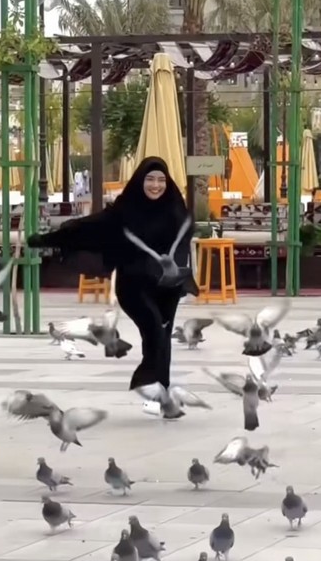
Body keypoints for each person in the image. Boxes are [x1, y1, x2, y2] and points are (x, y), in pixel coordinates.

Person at [27, 157, 196, 393]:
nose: (156, 185)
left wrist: (173, 274)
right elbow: (87, 228)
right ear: (140, 181)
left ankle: (161, 390)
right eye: (150, 179)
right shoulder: (124, 211)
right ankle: (147, 380)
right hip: (133, 285)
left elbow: (183, 243)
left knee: (163, 334)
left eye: (161, 180)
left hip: (167, 284)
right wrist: (45, 240)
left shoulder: (175, 209)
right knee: (154, 328)